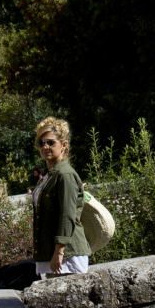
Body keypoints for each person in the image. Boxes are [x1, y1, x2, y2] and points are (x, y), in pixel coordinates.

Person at [31, 116, 91, 279]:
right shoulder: (50, 175)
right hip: (54, 254)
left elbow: (67, 215)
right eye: (41, 143)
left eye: (51, 142)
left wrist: (59, 252)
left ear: (63, 145)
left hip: (67, 256)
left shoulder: (65, 175)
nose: (45, 146)